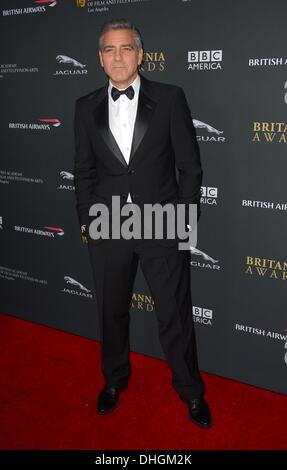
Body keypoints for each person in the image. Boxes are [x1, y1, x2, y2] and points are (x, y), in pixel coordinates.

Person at [73, 18, 212, 428]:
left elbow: (189, 166)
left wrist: (183, 220)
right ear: (100, 59)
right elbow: (82, 171)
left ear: (140, 54)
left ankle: (190, 391)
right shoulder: (84, 107)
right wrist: (88, 221)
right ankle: (114, 380)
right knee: (111, 311)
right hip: (107, 224)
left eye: (126, 48)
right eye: (110, 50)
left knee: (174, 314)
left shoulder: (169, 98)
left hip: (161, 223)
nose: (118, 57)